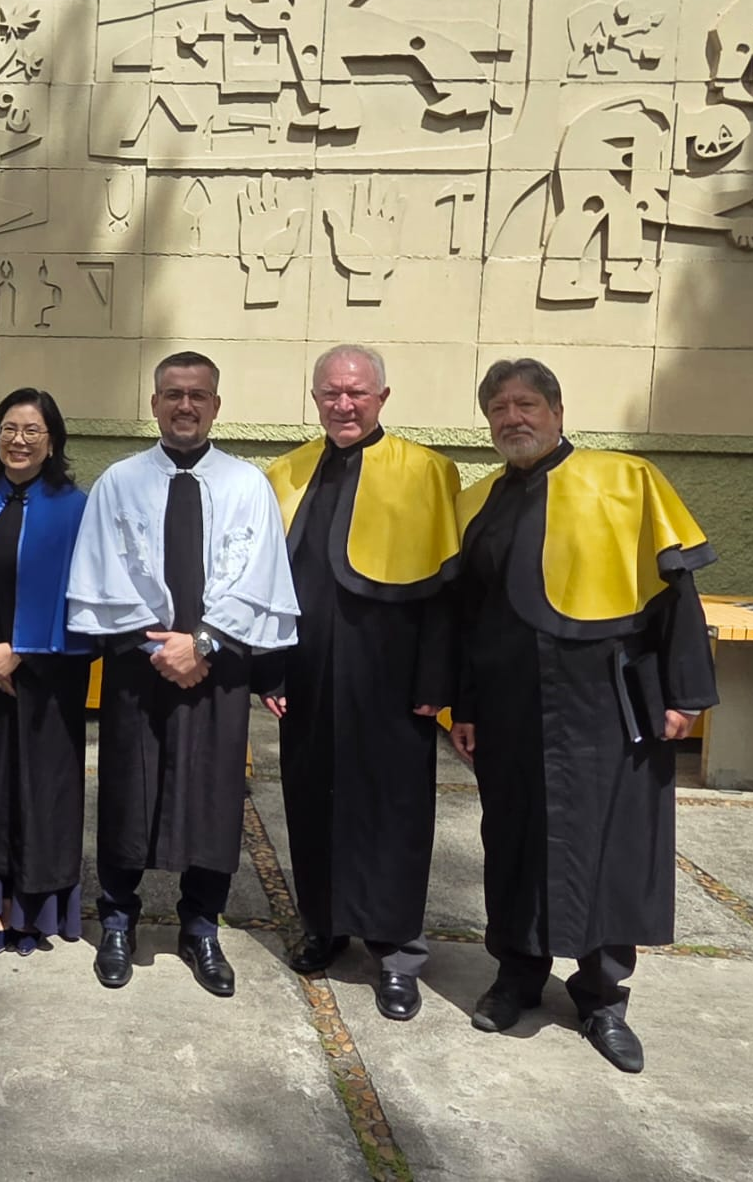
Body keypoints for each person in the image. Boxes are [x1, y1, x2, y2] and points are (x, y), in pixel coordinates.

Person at [450, 358, 718, 1074]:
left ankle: (602, 997)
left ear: (558, 411)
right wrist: (464, 707)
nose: (513, 418)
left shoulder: (627, 480)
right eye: (499, 408)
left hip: (608, 698)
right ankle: (517, 975)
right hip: (509, 705)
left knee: (610, 844)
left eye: (527, 404)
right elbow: (470, 620)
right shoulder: (477, 503)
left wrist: (685, 694)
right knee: (513, 839)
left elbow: (676, 595)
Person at [67, 351, 299, 997]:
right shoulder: (119, 482)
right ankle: (118, 921)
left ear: (216, 406)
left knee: (214, 797)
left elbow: (261, 575)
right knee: (127, 792)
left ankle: (201, 926)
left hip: (218, 668)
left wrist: (202, 643)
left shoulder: (248, 485)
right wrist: (161, 649)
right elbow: (102, 571)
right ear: (155, 403)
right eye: (173, 394)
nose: (185, 405)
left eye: (198, 395)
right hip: (139, 665)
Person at [260, 345, 460, 1020]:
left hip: (392, 678)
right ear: (315, 397)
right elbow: (269, 587)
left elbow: (445, 590)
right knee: (310, 801)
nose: (343, 404)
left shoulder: (427, 471)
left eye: (357, 393)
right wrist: (272, 669)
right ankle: (324, 926)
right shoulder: (286, 473)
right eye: (331, 393)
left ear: (383, 397)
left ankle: (396, 952)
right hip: (309, 672)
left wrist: (437, 679)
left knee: (393, 813)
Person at [0, 389, 91, 956]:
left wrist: (24, 651)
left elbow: (86, 595)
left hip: (50, 677)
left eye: (33, 431)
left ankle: (35, 908)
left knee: (44, 791)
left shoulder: (76, 508)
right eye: (9, 428)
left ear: (52, 442)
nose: (19, 440)